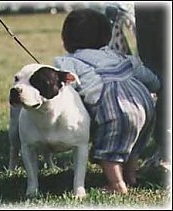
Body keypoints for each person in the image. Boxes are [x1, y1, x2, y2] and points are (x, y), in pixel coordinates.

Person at [54, 9, 160, 194]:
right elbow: (150, 80)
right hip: (144, 105)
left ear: (65, 40)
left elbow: (66, 91)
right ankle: (130, 176)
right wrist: (157, 85)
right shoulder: (117, 55)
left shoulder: (68, 62)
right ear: (107, 36)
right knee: (132, 145)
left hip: (113, 107)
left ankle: (117, 184)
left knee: (109, 152)